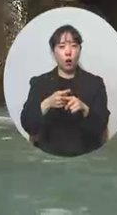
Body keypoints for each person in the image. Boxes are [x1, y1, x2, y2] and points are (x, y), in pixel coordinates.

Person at [20, 24, 111, 157]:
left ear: (80, 50)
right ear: (53, 51)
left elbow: (101, 126)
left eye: (74, 46)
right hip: (48, 158)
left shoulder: (95, 84)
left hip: (85, 157)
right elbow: (27, 124)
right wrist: (46, 104)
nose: (68, 52)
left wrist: (85, 109)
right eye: (62, 47)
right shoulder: (40, 83)